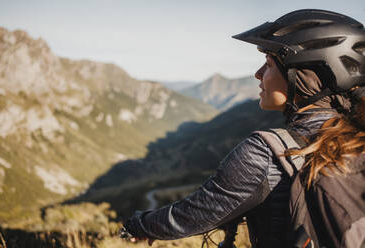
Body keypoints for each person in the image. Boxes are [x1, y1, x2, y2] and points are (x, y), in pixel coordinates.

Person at [123, 9, 365, 247]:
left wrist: (137, 225)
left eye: (269, 64)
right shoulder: (357, 137)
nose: (257, 74)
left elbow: (193, 214)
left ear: (303, 75)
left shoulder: (268, 152)